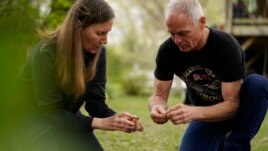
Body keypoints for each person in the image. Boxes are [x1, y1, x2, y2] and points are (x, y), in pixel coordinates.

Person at [10, 0, 144, 150]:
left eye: (107, 33)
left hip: (64, 119)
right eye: (100, 33)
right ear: (78, 26)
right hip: (28, 120)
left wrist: (119, 120)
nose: (105, 41)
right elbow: (50, 111)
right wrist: (98, 123)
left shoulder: (98, 53)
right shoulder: (46, 51)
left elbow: (96, 104)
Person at [148, 0, 268, 151]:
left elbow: (232, 105)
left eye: (183, 33)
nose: (177, 40)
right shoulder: (167, 51)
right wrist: (157, 107)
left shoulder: (226, 46)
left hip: (238, 110)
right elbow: (158, 95)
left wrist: (192, 112)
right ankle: (218, 143)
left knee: (259, 83)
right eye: (172, 33)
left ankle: (235, 146)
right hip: (206, 116)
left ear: (201, 22)